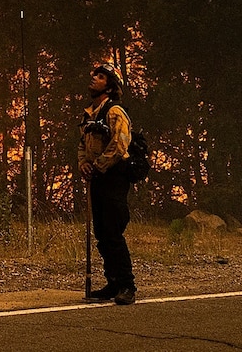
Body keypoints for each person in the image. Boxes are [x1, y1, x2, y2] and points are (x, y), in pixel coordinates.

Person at [79, 61, 136, 305]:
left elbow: (120, 144)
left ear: (110, 86)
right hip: (97, 178)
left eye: (100, 77)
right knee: (102, 234)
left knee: (113, 233)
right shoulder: (89, 113)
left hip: (113, 178)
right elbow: (82, 144)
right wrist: (83, 163)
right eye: (94, 75)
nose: (93, 78)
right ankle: (112, 283)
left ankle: (127, 286)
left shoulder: (115, 112)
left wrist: (99, 165)